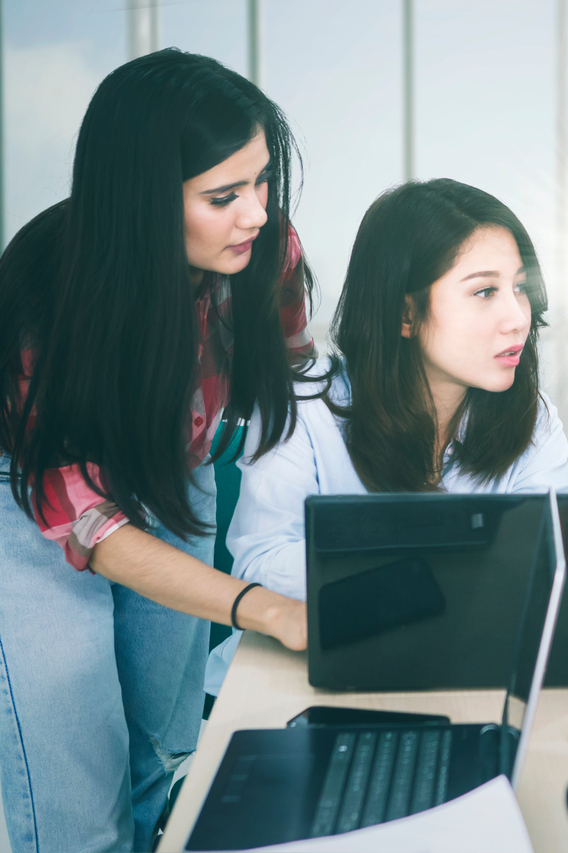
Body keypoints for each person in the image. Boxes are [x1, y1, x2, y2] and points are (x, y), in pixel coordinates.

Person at [0, 50, 314, 852]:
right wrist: (261, 605)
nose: (256, 213)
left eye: (262, 180)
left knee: (158, 758)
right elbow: (89, 526)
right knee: (82, 807)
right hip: (40, 509)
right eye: (224, 195)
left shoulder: (267, 254)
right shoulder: (44, 291)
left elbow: (299, 381)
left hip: (173, 475)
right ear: (144, 199)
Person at [204, 179, 568, 689]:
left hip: (463, 674)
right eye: (485, 291)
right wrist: (452, 566)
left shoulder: (532, 419)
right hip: (293, 680)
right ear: (405, 313)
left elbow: (554, 564)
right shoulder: (303, 404)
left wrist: (396, 569)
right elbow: (264, 560)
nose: (517, 318)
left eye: (520, 288)